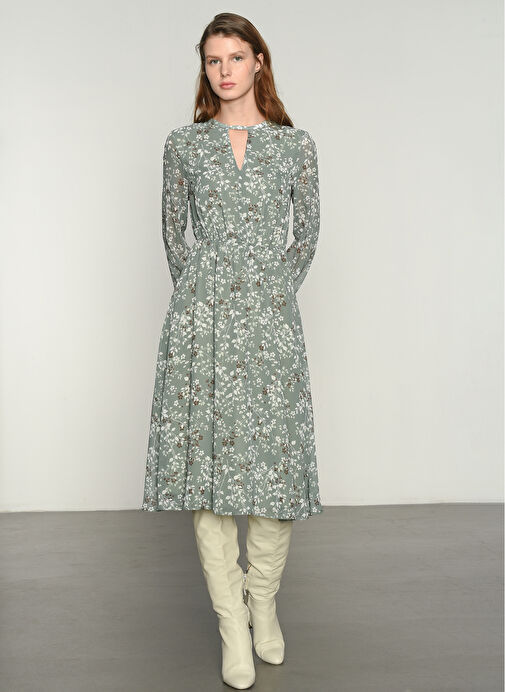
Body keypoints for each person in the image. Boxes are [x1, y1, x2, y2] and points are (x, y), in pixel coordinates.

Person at [141, 12, 324, 689]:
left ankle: (262, 602)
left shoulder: (295, 145)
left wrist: (270, 292)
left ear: (258, 62)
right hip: (203, 324)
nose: (223, 70)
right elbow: (173, 238)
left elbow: (306, 235)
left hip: (271, 323)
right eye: (213, 59)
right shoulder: (184, 144)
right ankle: (231, 625)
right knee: (210, 480)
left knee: (275, 474)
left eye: (235, 57)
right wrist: (204, 297)